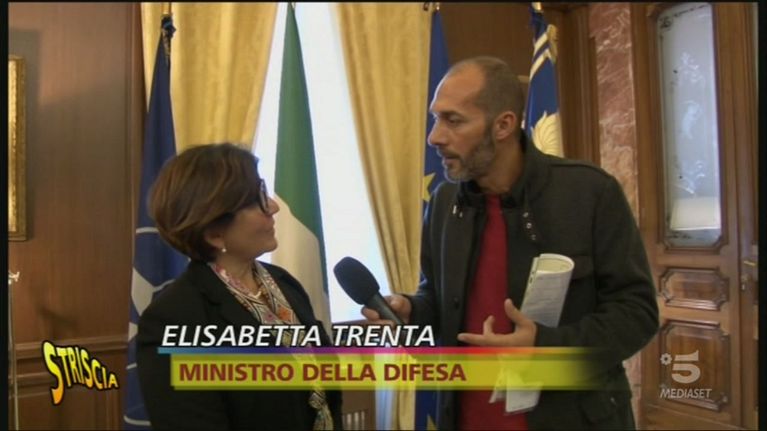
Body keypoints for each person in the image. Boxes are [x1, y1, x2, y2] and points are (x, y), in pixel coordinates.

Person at [362, 57, 659, 430]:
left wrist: (544, 348)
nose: (435, 137)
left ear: (503, 125)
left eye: (453, 120)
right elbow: (438, 297)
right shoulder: (443, 202)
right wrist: (413, 311)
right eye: (436, 119)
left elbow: (636, 314)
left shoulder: (590, 193)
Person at [136, 143, 342, 430]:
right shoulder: (174, 319)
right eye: (258, 200)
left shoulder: (284, 283)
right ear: (215, 233)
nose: (274, 206)